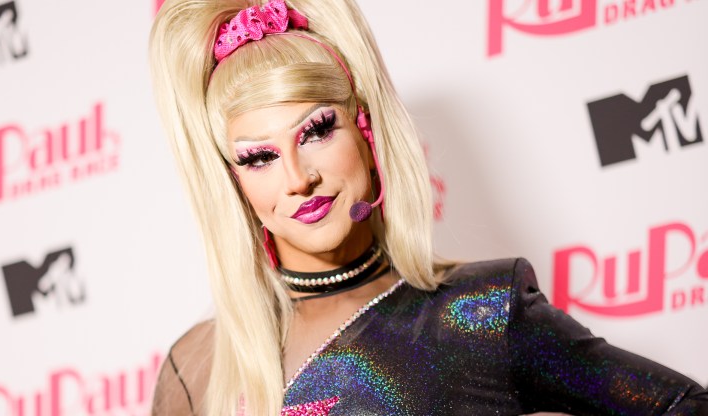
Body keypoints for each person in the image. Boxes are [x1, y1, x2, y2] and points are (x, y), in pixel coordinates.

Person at [148, 1, 708, 414]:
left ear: (366, 131)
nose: (299, 178)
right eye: (259, 158)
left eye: (317, 130)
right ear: (233, 182)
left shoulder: (483, 312)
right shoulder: (196, 366)